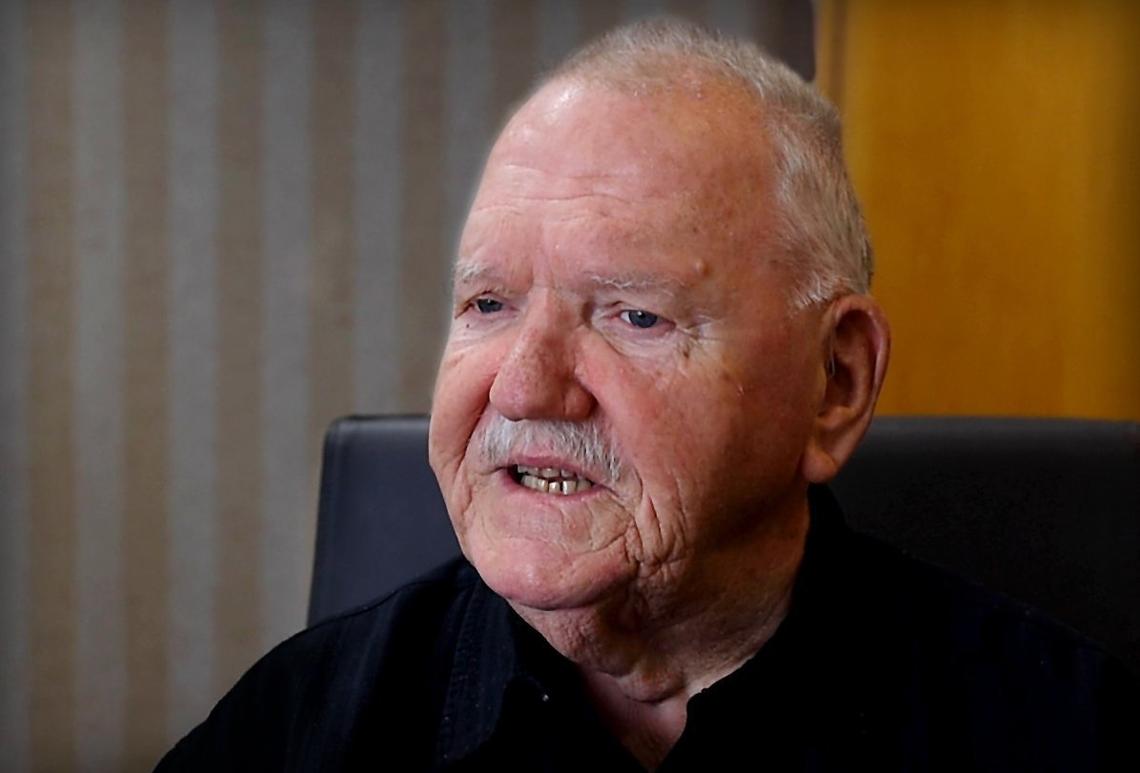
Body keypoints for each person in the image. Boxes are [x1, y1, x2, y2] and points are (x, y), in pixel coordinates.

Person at [157, 18, 1137, 772]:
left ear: (835, 382)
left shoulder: (1068, 734)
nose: (524, 385)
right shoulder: (294, 728)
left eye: (635, 315)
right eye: (489, 302)